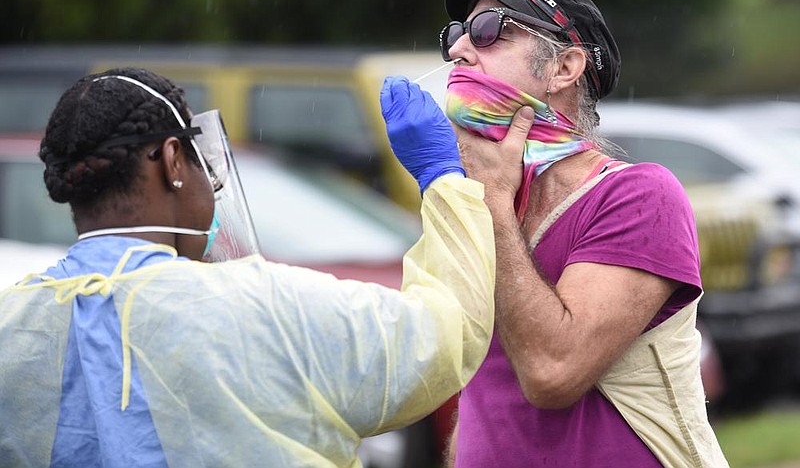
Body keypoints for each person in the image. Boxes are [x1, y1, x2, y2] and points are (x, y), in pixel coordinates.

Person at [0, 67, 510, 467]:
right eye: (205, 162)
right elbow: (441, 338)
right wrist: (444, 181)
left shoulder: (14, 324)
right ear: (174, 160)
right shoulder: (262, 304)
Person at [435, 0, 729, 466]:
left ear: (564, 68)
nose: (460, 51)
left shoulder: (639, 196)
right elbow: (483, 393)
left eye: (488, 31)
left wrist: (491, 204)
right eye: (456, 35)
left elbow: (552, 373)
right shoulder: (485, 204)